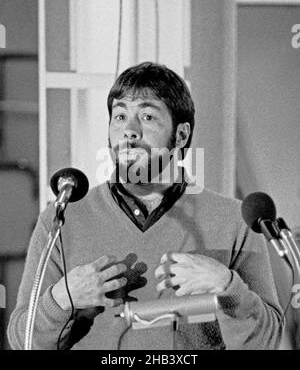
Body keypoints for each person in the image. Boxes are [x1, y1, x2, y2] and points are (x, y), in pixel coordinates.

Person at [7, 62, 283, 350]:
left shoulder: (235, 221)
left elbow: (267, 342)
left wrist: (227, 287)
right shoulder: (63, 218)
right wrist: (63, 298)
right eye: (120, 116)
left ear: (181, 135)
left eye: (147, 117)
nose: (129, 131)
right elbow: (22, 341)